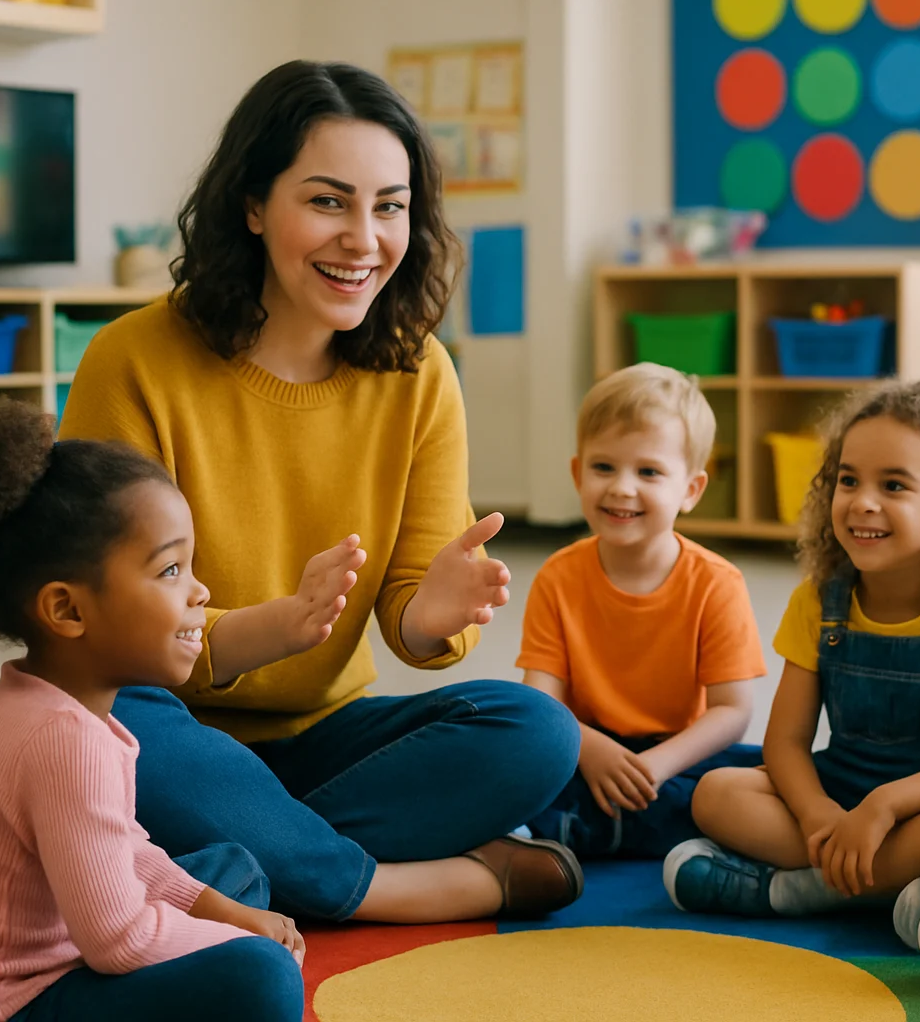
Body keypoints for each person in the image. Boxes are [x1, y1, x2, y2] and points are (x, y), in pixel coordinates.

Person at [59, 60, 582, 925]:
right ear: (254, 205)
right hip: (172, 724)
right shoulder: (134, 360)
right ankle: (388, 887)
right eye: (329, 202)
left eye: (390, 206)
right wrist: (271, 629)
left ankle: (229, 866)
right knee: (112, 743)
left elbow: (409, 617)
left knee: (536, 732)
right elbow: (111, 632)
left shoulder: (421, 375)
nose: (364, 239)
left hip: (327, 742)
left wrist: (432, 616)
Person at [0, 399, 304, 1022]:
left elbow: (127, 849)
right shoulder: (63, 741)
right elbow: (119, 941)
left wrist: (226, 912)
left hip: (52, 956)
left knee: (233, 874)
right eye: (170, 569)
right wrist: (243, 940)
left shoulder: (61, 710)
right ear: (68, 611)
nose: (200, 590)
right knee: (260, 979)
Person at [664, 380, 920, 949]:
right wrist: (819, 813)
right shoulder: (819, 601)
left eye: (894, 485)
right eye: (848, 480)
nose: (862, 501)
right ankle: (900, 889)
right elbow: (786, 744)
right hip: (840, 796)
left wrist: (885, 805)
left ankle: (800, 889)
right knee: (716, 791)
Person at [518, 364, 768, 859]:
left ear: (691, 490)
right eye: (604, 467)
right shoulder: (558, 576)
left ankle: (571, 834)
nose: (622, 488)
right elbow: (541, 705)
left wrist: (654, 766)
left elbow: (731, 711)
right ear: (577, 472)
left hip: (678, 754)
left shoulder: (717, 583)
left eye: (648, 472)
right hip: (583, 748)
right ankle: (587, 832)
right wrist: (592, 751)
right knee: (505, 751)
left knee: (761, 774)